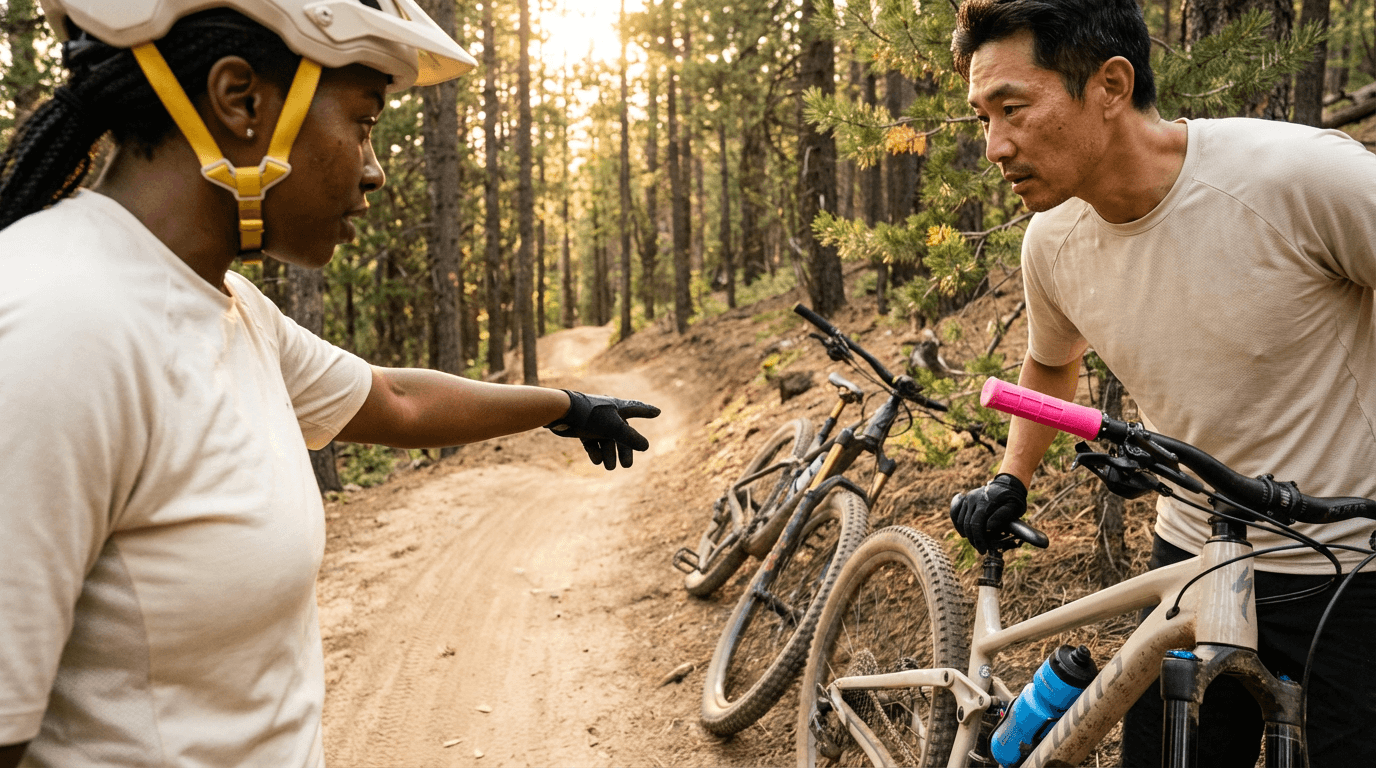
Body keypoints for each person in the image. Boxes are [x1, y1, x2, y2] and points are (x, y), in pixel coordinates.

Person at [0, 2, 658, 766]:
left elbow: (392, 400)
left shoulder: (228, 306)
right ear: (241, 101)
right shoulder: (58, 328)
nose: (374, 170)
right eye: (365, 120)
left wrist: (568, 407)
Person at [945, 0, 1376, 765]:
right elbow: (1049, 359)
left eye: (1013, 108)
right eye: (983, 116)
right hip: (1192, 560)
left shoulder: (1301, 177)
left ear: (1110, 85)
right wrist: (1012, 477)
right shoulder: (1052, 239)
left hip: (1343, 565)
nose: (994, 145)